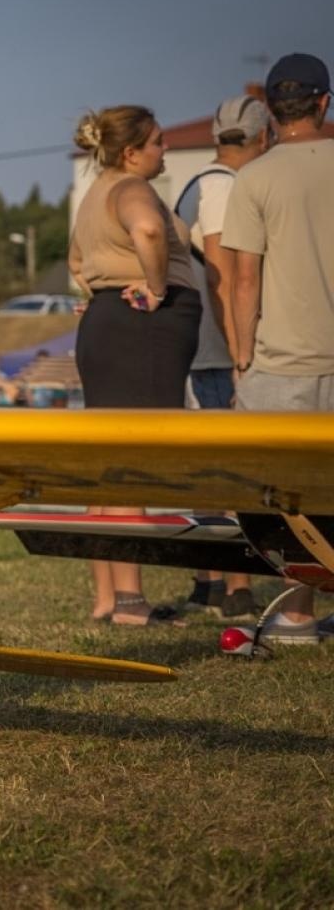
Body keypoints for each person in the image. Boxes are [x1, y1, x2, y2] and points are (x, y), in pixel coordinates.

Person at [69, 105, 201, 626]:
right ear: (131, 152)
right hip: (143, 327)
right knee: (131, 464)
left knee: (108, 466)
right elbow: (148, 230)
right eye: (158, 142)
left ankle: (108, 597)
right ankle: (129, 602)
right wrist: (157, 285)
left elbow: (79, 264)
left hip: (107, 324)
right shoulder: (131, 188)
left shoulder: (93, 194)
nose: (164, 149)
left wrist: (103, 294)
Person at [223, 52, 334, 645]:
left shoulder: (255, 178)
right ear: (323, 103)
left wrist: (243, 357)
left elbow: (245, 280)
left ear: (271, 110)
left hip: (283, 360)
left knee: (291, 501)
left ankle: (296, 614)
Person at [170, 94, 272, 619]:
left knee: (205, 472)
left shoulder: (197, 182)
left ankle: (209, 581)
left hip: (196, 344)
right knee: (230, 473)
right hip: (214, 348)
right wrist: (241, 351)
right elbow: (224, 275)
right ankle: (236, 586)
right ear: (262, 138)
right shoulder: (224, 188)